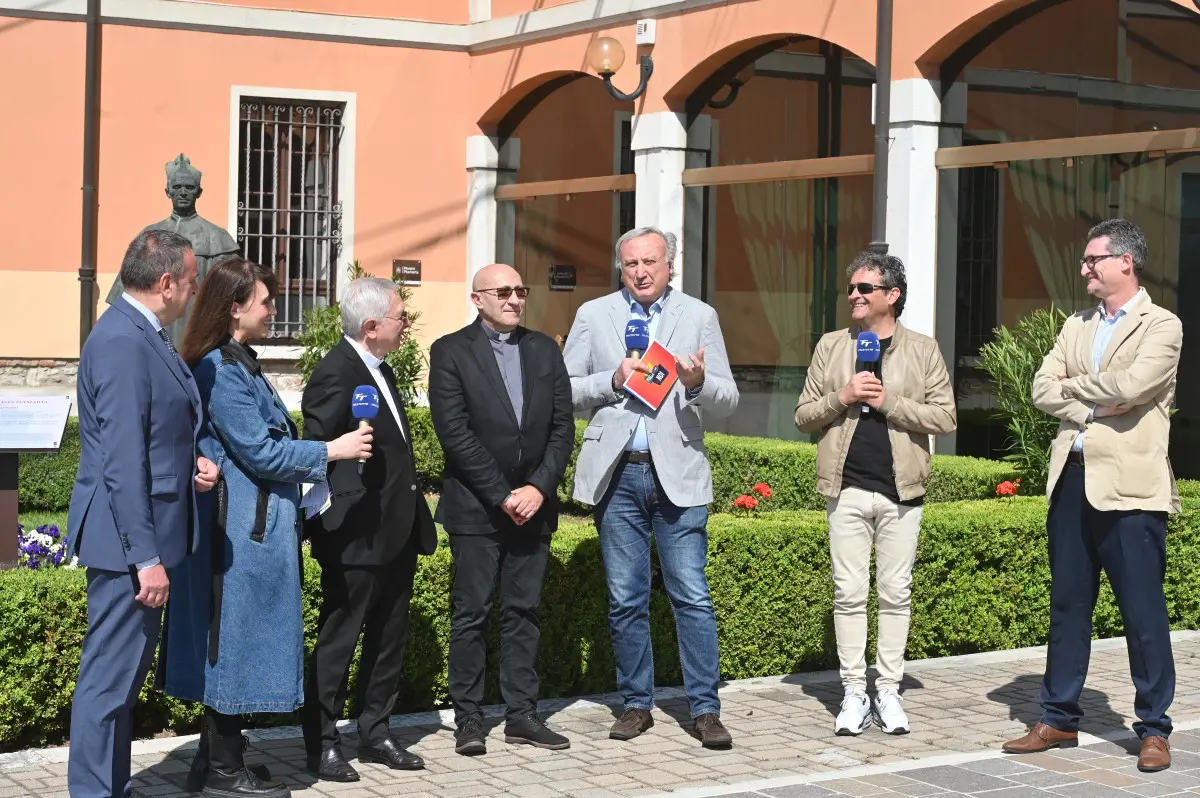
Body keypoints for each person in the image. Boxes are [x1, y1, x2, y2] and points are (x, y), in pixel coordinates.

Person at [162, 258, 374, 798]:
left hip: (249, 526)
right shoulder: (219, 369)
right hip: (238, 533)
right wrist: (332, 450)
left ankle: (214, 763)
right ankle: (224, 771)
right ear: (235, 309)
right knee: (231, 643)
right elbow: (258, 449)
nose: (274, 309)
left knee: (235, 639)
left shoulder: (237, 364)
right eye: (265, 301)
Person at [1003, 219, 1183, 772]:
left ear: (1125, 262)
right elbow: (1040, 388)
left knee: (1142, 611)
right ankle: (1057, 719)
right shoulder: (1076, 325)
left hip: (1131, 488)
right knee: (1068, 607)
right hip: (1072, 479)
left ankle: (1154, 729)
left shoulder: (1163, 325)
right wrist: (1094, 403)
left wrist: (1073, 391)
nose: (1084, 269)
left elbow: (1133, 387)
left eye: (1092, 259)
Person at [562, 226, 739, 748]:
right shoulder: (595, 316)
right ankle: (636, 704)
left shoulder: (699, 316)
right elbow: (562, 390)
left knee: (692, 596)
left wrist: (697, 384)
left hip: (677, 474)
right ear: (621, 267)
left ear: (670, 267)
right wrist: (611, 380)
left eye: (650, 262)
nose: (640, 272)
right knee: (625, 598)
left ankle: (705, 708)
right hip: (617, 473)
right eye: (631, 263)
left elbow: (727, 399)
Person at [65, 229, 217, 798]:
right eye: (193, 278)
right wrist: (146, 558)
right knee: (108, 683)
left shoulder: (141, 332)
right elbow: (123, 462)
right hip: (127, 541)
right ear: (167, 282)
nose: (196, 289)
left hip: (138, 535)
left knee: (122, 681)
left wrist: (191, 464)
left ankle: (112, 786)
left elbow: (154, 438)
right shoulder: (124, 341)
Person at [793, 251, 956, 736]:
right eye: (852, 289)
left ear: (893, 295)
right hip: (844, 491)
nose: (855, 296)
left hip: (901, 492)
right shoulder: (831, 345)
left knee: (895, 593)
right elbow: (803, 416)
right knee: (847, 594)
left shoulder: (923, 350)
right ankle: (852, 693)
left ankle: (887, 690)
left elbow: (945, 418)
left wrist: (890, 402)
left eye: (866, 288)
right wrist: (841, 397)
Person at [428, 263, 576, 756]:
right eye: (503, 291)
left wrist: (537, 487)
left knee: (523, 611)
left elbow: (562, 428)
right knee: (472, 612)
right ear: (478, 299)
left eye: (520, 290)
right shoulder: (450, 351)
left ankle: (522, 715)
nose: (514, 299)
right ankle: (469, 718)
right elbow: (454, 433)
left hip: (534, 506)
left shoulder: (543, 350)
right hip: (476, 508)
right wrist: (502, 493)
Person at [301, 277, 439, 782]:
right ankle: (323, 742)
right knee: (340, 640)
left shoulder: (380, 371)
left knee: (388, 639)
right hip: (355, 534)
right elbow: (316, 447)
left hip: (396, 530)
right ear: (373, 325)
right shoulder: (336, 371)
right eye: (401, 316)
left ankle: (376, 729)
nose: (406, 325)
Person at [106, 154, 240, 344]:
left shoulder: (217, 237)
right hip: (152, 333)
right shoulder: (149, 236)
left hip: (197, 333)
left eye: (189, 187)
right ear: (167, 191)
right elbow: (124, 295)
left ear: (199, 192)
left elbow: (232, 294)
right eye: (177, 187)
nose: (183, 192)